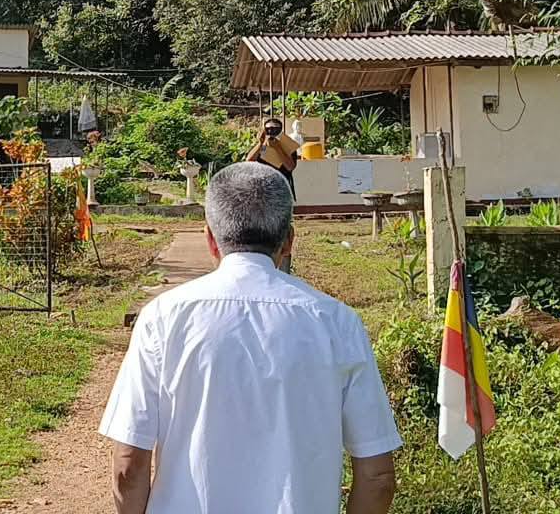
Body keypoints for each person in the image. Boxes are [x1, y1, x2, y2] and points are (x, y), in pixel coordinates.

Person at [99, 162, 401, 514]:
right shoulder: (338, 322)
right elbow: (378, 477)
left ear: (211, 240)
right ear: (289, 241)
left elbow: (128, 466)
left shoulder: (163, 318)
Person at [246, 117, 299, 197]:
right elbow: (249, 160)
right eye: (268, 129)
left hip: (280, 187)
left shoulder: (288, 145)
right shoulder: (261, 145)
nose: (271, 132)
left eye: (275, 129)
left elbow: (290, 166)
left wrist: (277, 148)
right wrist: (260, 143)